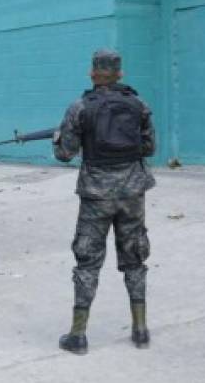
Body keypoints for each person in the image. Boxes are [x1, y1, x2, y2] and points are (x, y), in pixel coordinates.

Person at [52, 49, 156, 355]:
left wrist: (60, 137)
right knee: (135, 257)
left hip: (96, 194)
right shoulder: (139, 105)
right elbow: (149, 148)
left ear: (92, 74)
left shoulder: (80, 107)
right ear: (120, 74)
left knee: (87, 260)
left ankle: (78, 334)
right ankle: (140, 329)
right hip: (132, 192)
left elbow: (64, 153)